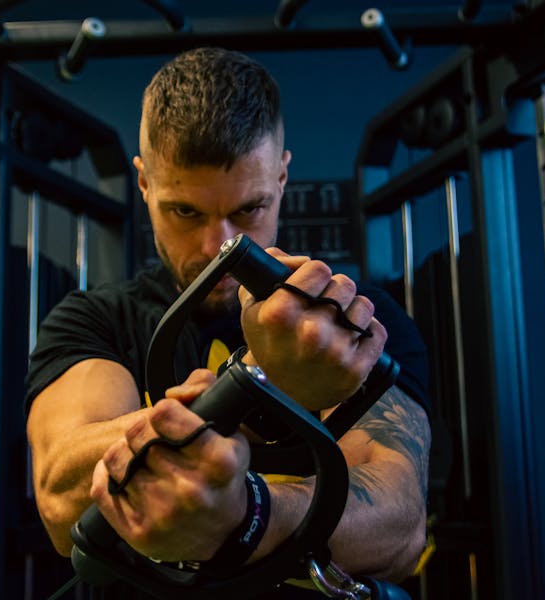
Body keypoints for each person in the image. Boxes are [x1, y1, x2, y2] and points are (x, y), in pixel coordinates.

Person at [25, 47, 431, 599]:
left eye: (248, 210)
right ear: (144, 184)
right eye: (185, 211)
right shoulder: (95, 320)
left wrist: (247, 515)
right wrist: (260, 382)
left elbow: (398, 528)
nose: (219, 246)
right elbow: (61, 497)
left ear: (282, 178)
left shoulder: (347, 323)